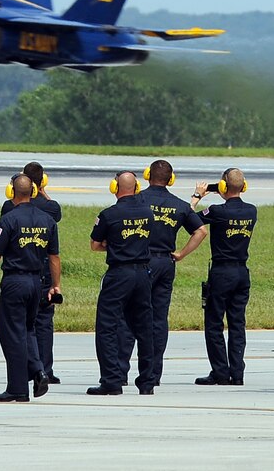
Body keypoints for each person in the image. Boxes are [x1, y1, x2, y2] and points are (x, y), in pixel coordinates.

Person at [118, 159, 206, 386]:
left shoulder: (137, 200)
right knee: (158, 319)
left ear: (147, 175)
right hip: (166, 262)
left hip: (140, 262)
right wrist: (182, 254)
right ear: (171, 179)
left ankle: (120, 371)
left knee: (129, 316)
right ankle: (152, 374)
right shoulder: (179, 205)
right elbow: (200, 231)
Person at [0, 173, 62, 402]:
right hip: (37, 282)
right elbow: (54, 257)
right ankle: (38, 370)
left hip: (15, 281)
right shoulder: (47, 220)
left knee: (12, 334)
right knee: (28, 329)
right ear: (33, 192)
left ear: (11, 192)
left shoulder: (8, 219)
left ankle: (18, 389)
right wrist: (56, 286)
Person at [88, 171, 157, 396]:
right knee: (145, 327)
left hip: (119, 274)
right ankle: (147, 381)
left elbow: (95, 245)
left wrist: (115, 246)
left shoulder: (109, 214)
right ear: (136, 187)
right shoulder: (148, 212)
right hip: (143, 273)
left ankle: (111, 381)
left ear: (114, 187)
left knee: (107, 326)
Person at [190, 168, 257, 386]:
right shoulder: (251, 211)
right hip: (241, 272)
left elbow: (189, 220)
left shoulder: (217, 211)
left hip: (221, 272)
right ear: (243, 187)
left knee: (214, 322)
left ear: (222, 187)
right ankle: (237, 373)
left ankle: (220, 371)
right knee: (237, 323)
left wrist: (197, 197)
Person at [0, 160, 63, 383]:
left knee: (20, 326)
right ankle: (45, 369)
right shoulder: (52, 208)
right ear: (41, 183)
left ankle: (27, 371)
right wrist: (43, 191)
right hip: (42, 272)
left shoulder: (9, 208)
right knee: (43, 322)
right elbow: (54, 211)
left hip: (18, 272)